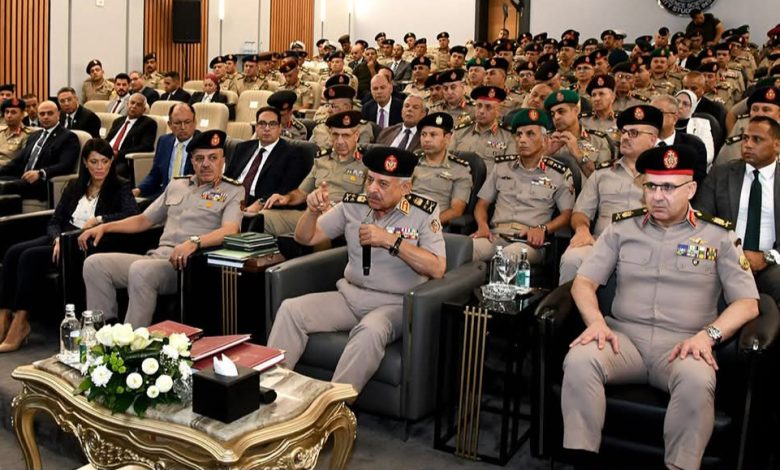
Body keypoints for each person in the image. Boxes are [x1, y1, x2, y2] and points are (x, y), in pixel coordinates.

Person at [561, 144, 758, 470]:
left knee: (697, 381)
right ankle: (581, 459)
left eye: (668, 188)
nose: (657, 196)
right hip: (624, 341)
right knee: (580, 360)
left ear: (691, 189)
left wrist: (708, 336)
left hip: (684, 344)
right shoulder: (622, 228)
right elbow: (583, 282)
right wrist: (596, 322)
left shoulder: (719, 236)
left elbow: (748, 303)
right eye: (650, 186)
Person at [267, 145, 445, 394]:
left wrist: (391, 241)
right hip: (349, 297)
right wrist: (311, 212)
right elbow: (306, 238)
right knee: (291, 310)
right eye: (370, 180)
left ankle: (333, 406)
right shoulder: (353, 205)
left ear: (406, 188)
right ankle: (269, 392)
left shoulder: (423, 212)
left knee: (369, 331)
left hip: (394, 304)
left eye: (383, 184)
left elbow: (437, 267)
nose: (372, 189)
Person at [80, 130, 243, 327]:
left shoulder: (233, 191)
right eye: (199, 158)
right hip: (157, 258)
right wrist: (104, 227)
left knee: (141, 270)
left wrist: (194, 242)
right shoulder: (177, 185)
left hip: (189, 265)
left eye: (213, 158)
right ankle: (101, 333)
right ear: (192, 161)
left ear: (223, 160)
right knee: (95, 264)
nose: (206, 164)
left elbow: (230, 230)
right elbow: (143, 220)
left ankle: (131, 340)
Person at [0, 138, 137, 352]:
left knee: (29, 257)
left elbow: (132, 214)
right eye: (94, 162)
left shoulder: (121, 186)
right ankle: (3, 318)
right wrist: (57, 238)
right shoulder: (75, 185)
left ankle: (21, 323)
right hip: (62, 235)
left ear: (111, 162)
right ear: (85, 163)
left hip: (83, 242)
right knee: (12, 252)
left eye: (104, 161)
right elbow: (55, 220)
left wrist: (100, 220)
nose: (100, 167)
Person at [558, 104, 661, 284]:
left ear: (652, 139)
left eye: (634, 133)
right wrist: (582, 230)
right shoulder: (602, 173)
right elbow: (580, 212)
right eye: (624, 132)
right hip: (602, 243)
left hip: (645, 245)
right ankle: (569, 303)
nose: (625, 137)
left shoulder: (663, 177)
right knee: (572, 258)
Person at [470, 108, 575, 263]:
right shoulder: (502, 166)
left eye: (530, 134)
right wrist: (482, 225)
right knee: (463, 249)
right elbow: (482, 204)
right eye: (519, 134)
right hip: (495, 235)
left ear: (545, 139)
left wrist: (543, 229)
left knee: (508, 257)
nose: (522, 140)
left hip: (529, 242)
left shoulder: (558, 173)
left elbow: (567, 214)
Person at [695, 116, 780, 304]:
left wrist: (767, 257)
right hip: (724, 257)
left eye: (757, 139)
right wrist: (728, 254)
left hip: (773, 263)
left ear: (777, 145)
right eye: (745, 138)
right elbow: (701, 218)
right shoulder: (721, 174)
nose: (748, 145)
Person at [261, 110, 367, 236]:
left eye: (345, 135)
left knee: (318, 229)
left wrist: (334, 210)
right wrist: (286, 198)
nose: (339, 141)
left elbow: (367, 204)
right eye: (335, 135)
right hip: (312, 215)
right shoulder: (322, 159)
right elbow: (302, 193)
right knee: (262, 218)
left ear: (356, 135)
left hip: (342, 220)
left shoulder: (367, 164)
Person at [224, 106, 312, 213]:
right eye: (262, 123)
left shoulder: (292, 153)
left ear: (280, 128)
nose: (266, 128)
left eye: (272, 124)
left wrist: (262, 202)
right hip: (231, 199)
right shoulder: (243, 147)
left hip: (259, 205)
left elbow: (286, 189)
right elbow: (228, 178)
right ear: (256, 127)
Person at [0, 100, 80, 200]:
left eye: (50, 113)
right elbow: (18, 161)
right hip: (23, 178)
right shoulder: (35, 135)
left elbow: (65, 165)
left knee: (4, 187)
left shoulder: (68, 137)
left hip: (42, 183)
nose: (45, 117)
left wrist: (40, 173)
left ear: (58, 114)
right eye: (42, 114)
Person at [412, 112, 472, 225]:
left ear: (447, 138)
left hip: (433, 224)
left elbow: (456, 211)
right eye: (423, 134)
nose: (427, 139)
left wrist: (426, 225)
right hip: (402, 218)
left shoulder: (460, 169)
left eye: (433, 135)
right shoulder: (412, 162)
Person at [133, 103, 197, 200]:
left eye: (187, 122)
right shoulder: (164, 141)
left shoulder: (203, 144)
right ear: (170, 125)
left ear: (195, 122)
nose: (183, 127)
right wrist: (138, 190)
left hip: (190, 197)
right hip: (164, 194)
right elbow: (155, 175)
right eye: (177, 123)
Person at [544, 89, 614, 179]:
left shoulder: (598, 140)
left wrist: (578, 154)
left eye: (561, 111)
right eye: (553, 114)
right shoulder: (546, 141)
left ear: (576, 111)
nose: (556, 117)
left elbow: (604, 179)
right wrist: (545, 154)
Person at [449, 86, 517, 174]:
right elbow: (448, 161)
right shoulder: (460, 132)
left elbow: (509, 171)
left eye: (488, 107)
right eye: (479, 106)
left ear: (498, 111)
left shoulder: (508, 136)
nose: (481, 111)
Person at [651, 94, 708, 184]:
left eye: (660, 112)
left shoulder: (694, 146)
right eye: (651, 113)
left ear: (674, 118)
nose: (653, 117)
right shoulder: (640, 142)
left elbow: (698, 183)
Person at [104, 93, 156, 178]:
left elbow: (146, 147)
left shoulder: (148, 123)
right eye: (132, 103)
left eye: (138, 105)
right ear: (127, 104)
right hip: (106, 156)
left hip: (124, 160)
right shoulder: (118, 121)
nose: (134, 106)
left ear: (144, 110)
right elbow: (108, 139)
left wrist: (118, 154)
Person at [674, 90, 716, 170]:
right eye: (677, 101)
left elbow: (709, 155)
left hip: (693, 169)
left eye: (685, 104)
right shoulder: (665, 122)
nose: (679, 106)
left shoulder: (702, 124)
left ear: (692, 108)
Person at [0, 98, 33, 168]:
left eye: (13, 112)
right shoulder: (1, 132)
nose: (9, 115)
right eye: (7, 112)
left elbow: (22, 160)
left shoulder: (27, 135)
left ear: (22, 115)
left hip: (8, 171)